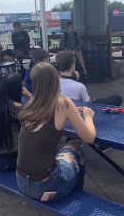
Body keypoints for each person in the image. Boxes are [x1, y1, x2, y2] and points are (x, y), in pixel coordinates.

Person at [16, 62, 96, 202]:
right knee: (74, 146)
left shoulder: (30, 103)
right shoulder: (63, 103)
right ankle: (74, 204)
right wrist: (88, 116)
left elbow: (46, 118)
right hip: (45, 185)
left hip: (22, 182)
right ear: (56, 80)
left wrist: (70, 114)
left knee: (58, 153)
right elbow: (89, 138)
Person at [56, 51, 122, 106]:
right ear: (72, 64)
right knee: (116, 98)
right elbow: (88, 104)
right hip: (86, 108)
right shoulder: (79, 86)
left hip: (64, 110)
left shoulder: (53, 83)